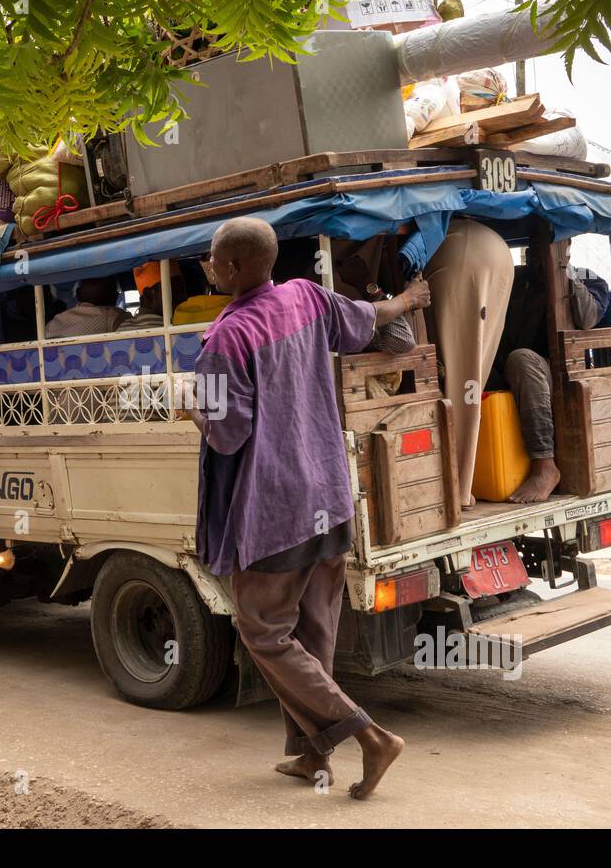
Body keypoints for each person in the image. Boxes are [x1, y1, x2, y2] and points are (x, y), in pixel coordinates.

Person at [180, 217, 430, 801]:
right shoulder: (306, 295)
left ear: (235, 269)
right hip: (329, 496)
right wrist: (409, 299)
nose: (210, 269)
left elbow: (227, 434)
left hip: (276, 509)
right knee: (313, 634)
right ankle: (314, 758)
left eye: (213, 262)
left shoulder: (226, 338)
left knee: (262, 629)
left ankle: (371, 738)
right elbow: (369, 321)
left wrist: (191, 405)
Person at [492, 239, 611, 503]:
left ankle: (545, 465)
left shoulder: (587, 279)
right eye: (533, 250)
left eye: (544, 248)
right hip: (505, 370)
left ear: (565, 247)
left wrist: (561, 272)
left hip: (555, 375)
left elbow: (588, 317)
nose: (537, 256)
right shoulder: (516, 277)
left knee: (522, 360)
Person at [422, 219, 516, 508]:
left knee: (452, 372)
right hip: (498, 250)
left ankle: (457, 486)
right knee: (473, 367)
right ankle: (464, 481)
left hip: (450, 255)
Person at [45, 276, 128, 338]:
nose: (117, 292)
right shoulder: (116, 316)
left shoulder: (54, 323)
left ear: (78, 295)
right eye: (113, 287)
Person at [116, 262, 187, 330]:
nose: (183, 299)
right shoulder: (175, 328)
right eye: (174, 292)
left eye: (183, 291)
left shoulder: (122, 328)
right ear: (147, 294)